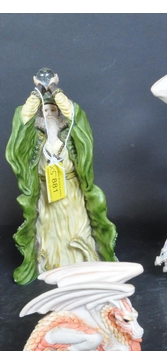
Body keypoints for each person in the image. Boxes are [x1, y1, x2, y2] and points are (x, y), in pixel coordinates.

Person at [6, 69, 117, 285]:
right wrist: (38, 91)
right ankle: (53, 264)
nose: (49, 113)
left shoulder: (69, 135)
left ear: (59, 115)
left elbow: (74, 114)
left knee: (76, 226)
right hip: (46, 192)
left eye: (53, 110)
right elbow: (23, 117)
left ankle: (82, 261)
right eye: (45, 110)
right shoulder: (37, 139)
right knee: (49, 230)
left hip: (71, 190)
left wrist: (54, 89)